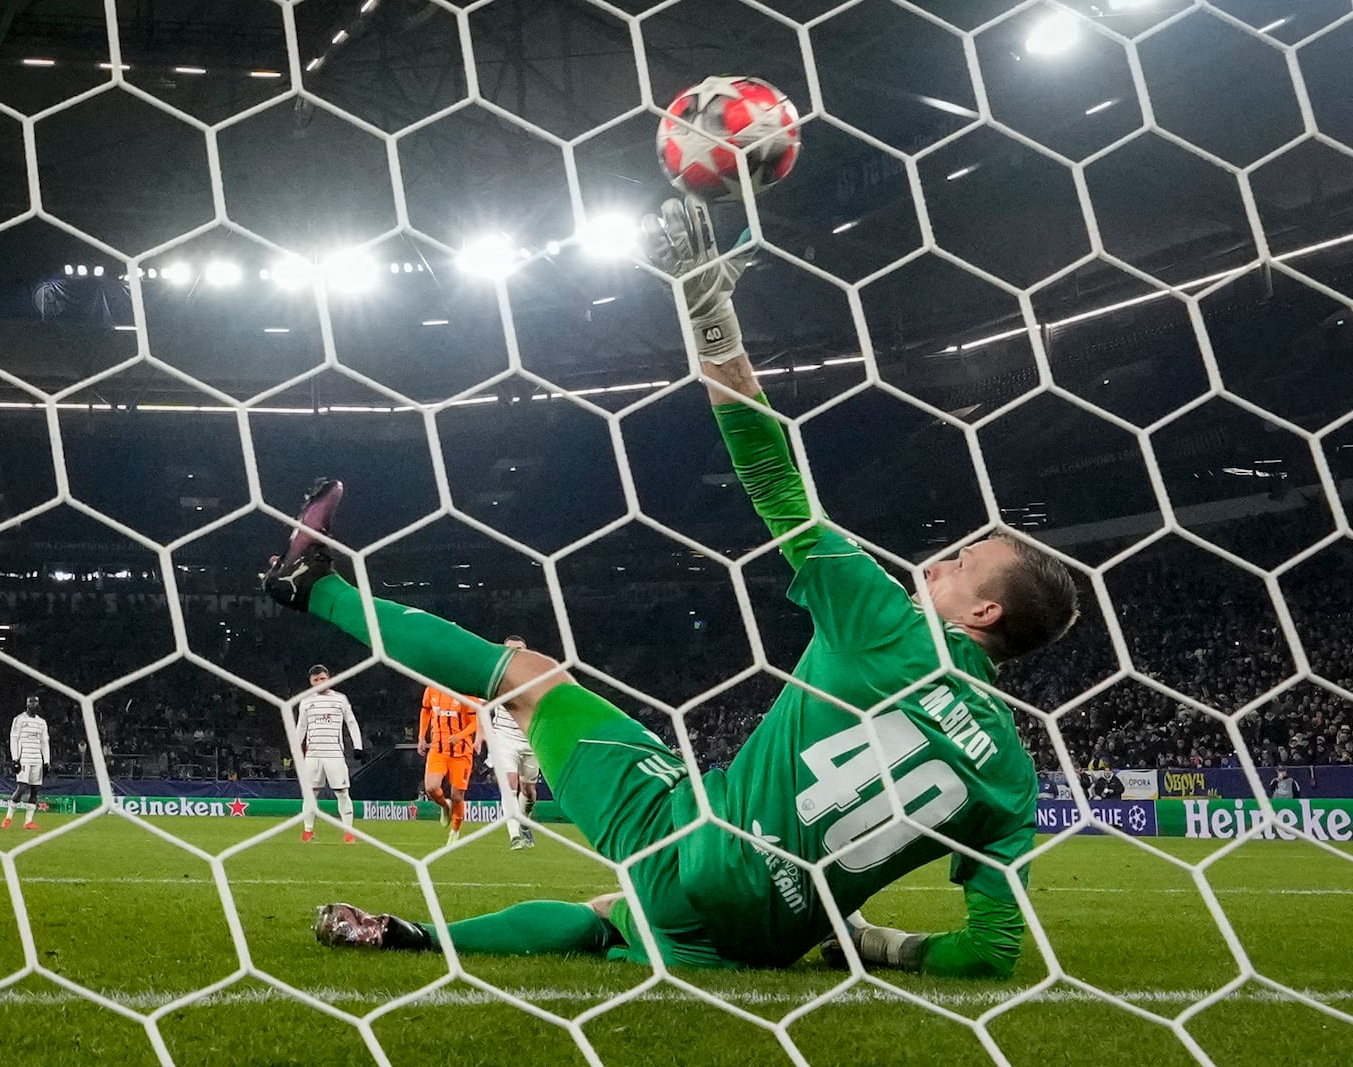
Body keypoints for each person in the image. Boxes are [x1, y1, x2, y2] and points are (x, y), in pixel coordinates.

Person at [268, 196, 1078, 975]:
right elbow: (990, 954)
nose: (935, 562)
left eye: (962, 561)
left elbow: (773, 475)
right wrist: (879, 946)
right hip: (765, 936)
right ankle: (405, 935)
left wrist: (705, 308)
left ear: (985, 610)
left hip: (703, 845)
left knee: (527, 679)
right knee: (607, 915)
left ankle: (313, 587)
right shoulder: (1012, 778)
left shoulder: (888, 627)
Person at [296, 664, 365, 843]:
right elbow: (301, 727)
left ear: (329, 679)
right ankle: (308, 831)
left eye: (322, 679)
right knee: (310, 794)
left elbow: (351, 722)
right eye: (315, 680)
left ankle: (348, 832)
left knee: (342, 792)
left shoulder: (340, 699)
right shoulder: (306, 701)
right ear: (311, 682)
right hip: (313, 756)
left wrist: (358, 746)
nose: (319, 682)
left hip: (334, 754)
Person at [484, 636, 539, 850]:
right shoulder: (496, 675)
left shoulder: (537, 675)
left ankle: (524, 823)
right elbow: (479, 700)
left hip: (529, 740)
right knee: (510, 785)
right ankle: (514, 835)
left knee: (529, 792)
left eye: (519, 649)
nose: (515, 653)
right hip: (504, 738)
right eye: (511, 650)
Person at [419, 680, 478, 844]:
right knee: (431, 787)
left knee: (457, 795)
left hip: (461, 752)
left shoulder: (466, 693)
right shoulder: (431, 690)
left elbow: (475, 723)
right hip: (438, 749)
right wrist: (421, 737)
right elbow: (425, 711)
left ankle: (455, 830)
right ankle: (445, 806)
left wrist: (459, 736)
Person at [3, 695, 50, 830]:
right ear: (27, 704)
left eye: (35, 702)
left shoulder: (42, 723)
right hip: (24, 758)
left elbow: (44, 742)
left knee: (35, 789)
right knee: (22, 787)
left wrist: (46, 761)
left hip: (37, 759)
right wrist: (15, 759)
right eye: (31, 702)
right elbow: (14, 739)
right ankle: (8, 818)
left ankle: (28, 822)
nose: (33, 705)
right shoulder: (19, 720)